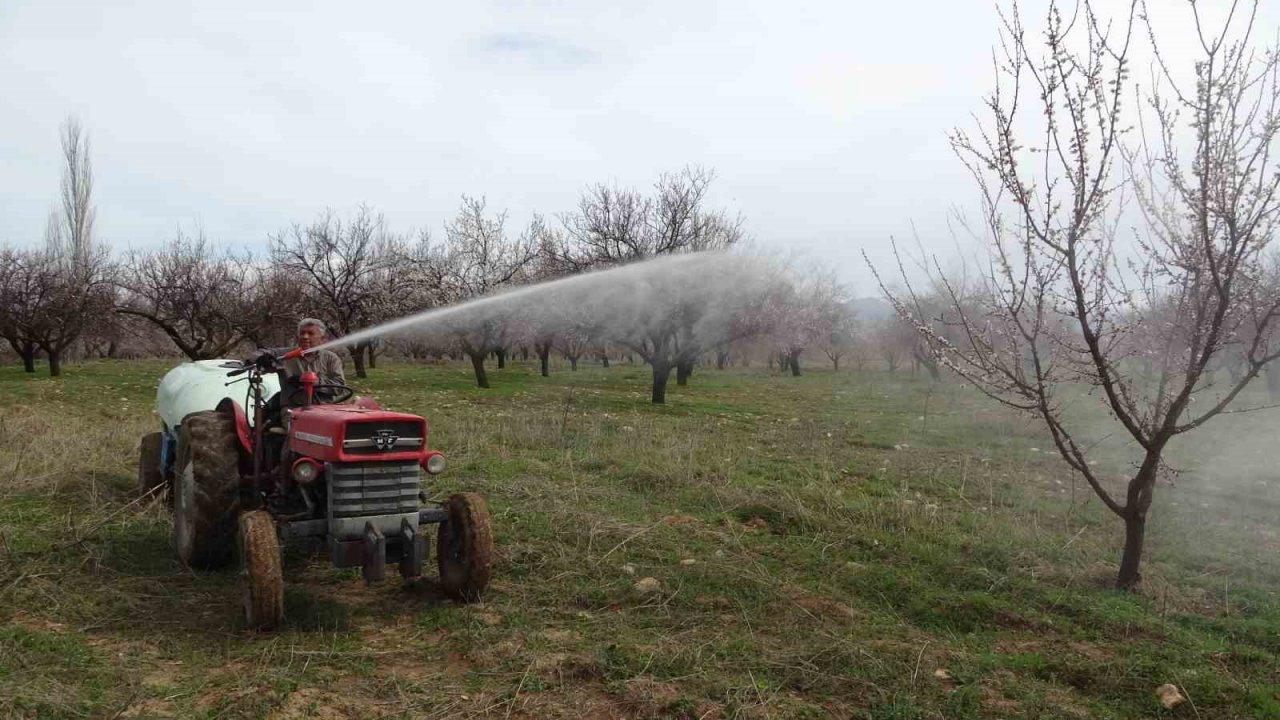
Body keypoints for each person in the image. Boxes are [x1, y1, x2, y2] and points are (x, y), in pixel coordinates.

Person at [278, 318, 347, 408]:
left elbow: (339, 388)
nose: (305, 337)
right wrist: (264, 358)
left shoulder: (331, 358)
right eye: (302, 333)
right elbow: (265, 354)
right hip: (292, 409)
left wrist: (311, 381)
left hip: (323, 409)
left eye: (310, 333)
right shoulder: (284, 356)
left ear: (322, 339)